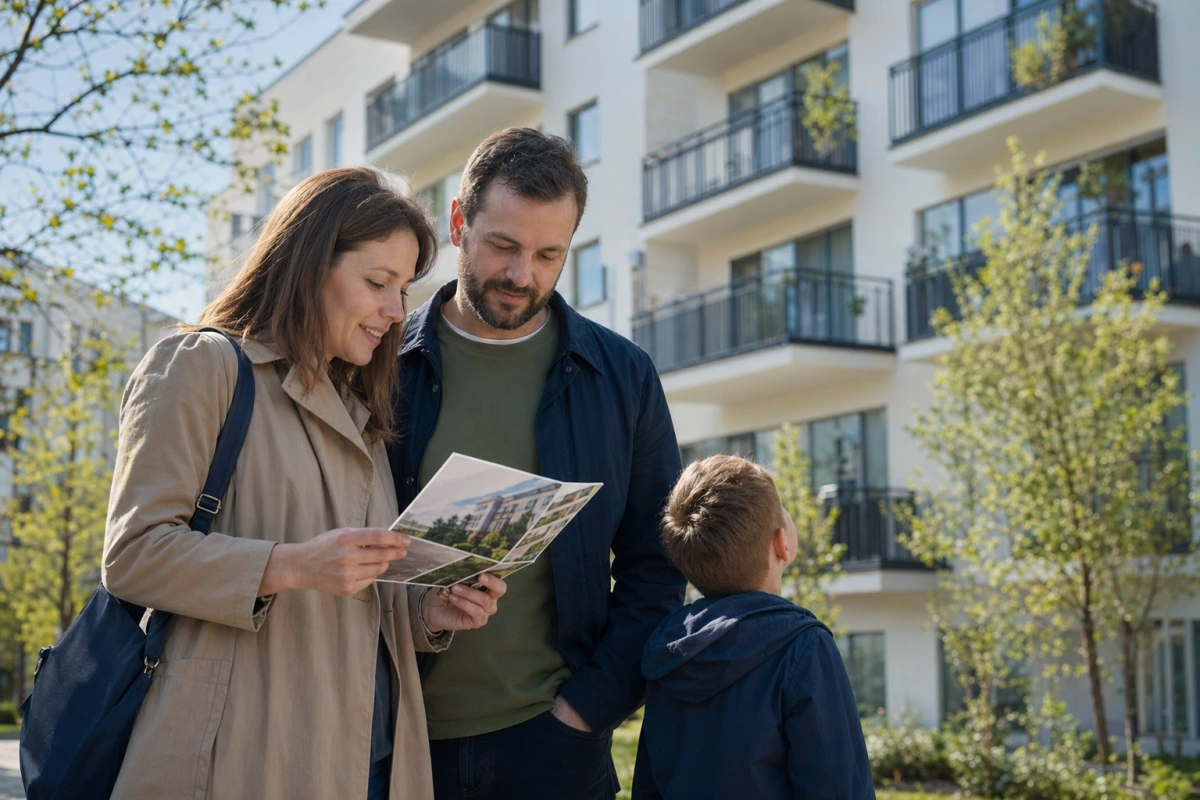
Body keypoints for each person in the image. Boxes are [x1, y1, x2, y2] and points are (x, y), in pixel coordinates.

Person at [101, 167, 507, 800]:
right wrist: (289, 566)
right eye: (378, 283)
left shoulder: (361, 415)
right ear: (310, 264)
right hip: (243, 757)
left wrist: (430, 611)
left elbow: (355, 592)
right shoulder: (201, 367)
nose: (395, 312)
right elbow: (133, 556)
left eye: (402, 289)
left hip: (371, 759)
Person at [388, 127, 686, 800]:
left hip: (553, 747)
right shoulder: (379, 364)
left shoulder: (621, 377)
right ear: (460, 223)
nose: (523, 275)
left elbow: (657, 562)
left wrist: (584, 712)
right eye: (504, 246)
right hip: (391, 738)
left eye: (549, 254)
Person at [633, 455, 874, 800]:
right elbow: (839, 786)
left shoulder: (669, 648)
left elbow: (648, 785)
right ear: (782, 543)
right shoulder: (803, 647)